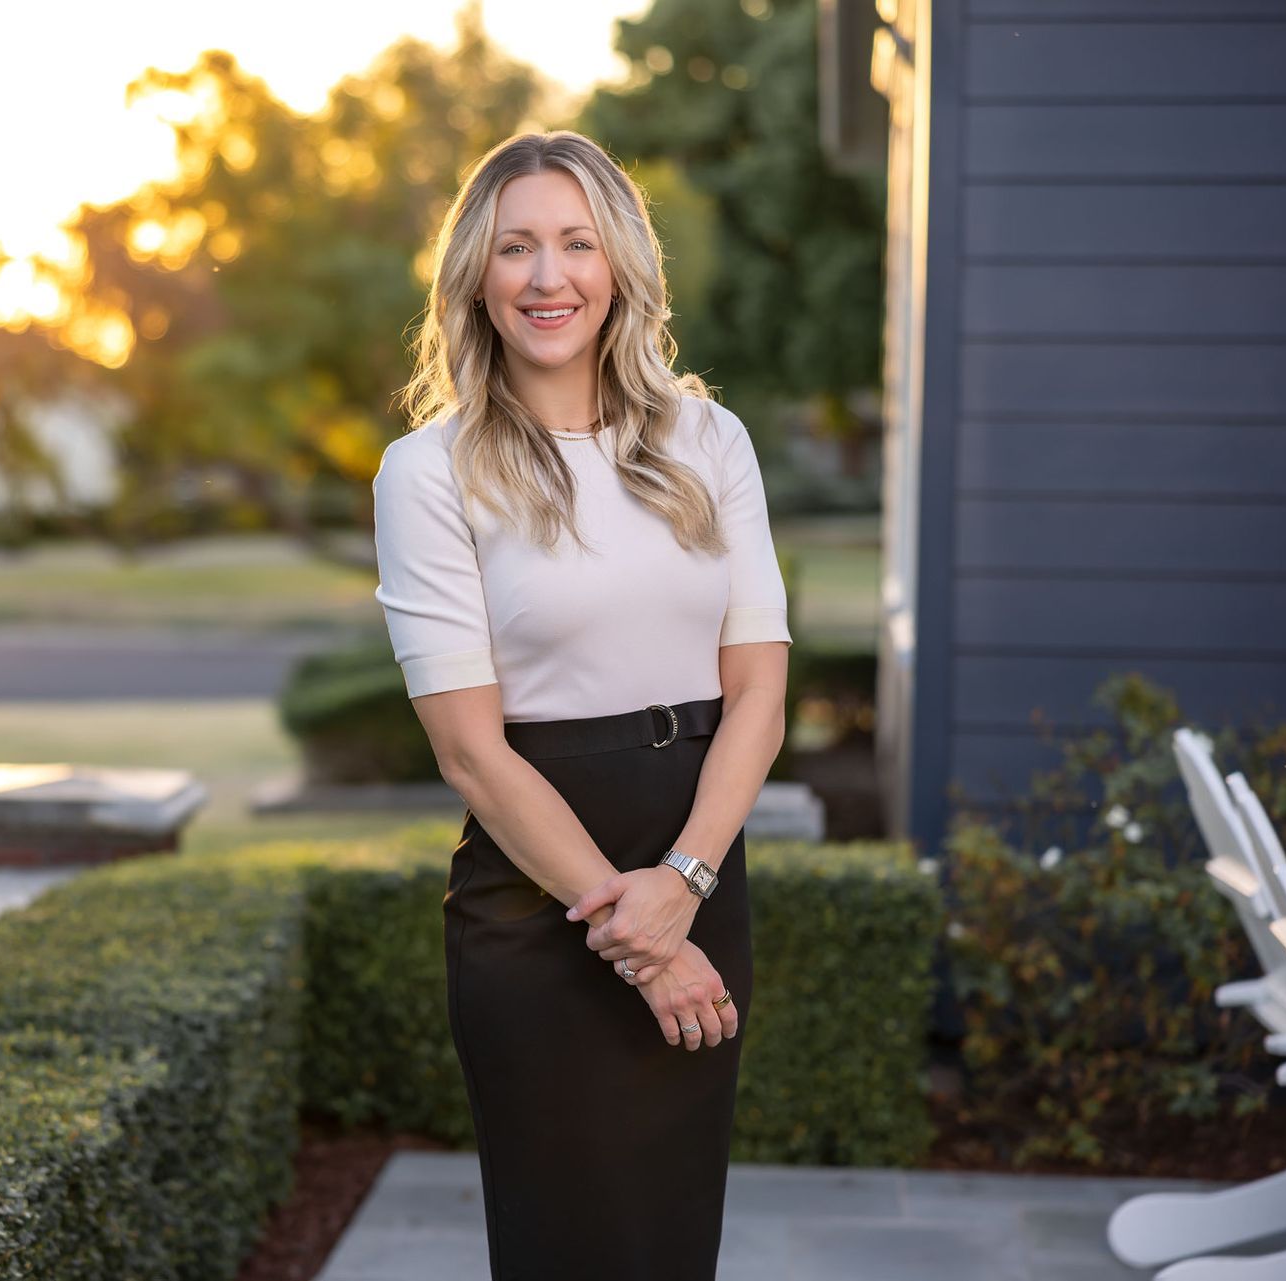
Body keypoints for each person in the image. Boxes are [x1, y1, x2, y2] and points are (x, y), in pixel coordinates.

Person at [370, 129, 792, 1280]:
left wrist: (688, 886)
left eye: (575, 243)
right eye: (515, 249)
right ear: (476, 278)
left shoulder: (710, 440)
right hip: (536, 902)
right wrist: (646, 946)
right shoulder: (430, 471)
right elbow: (471, 752)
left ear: (619, 266)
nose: (547, 277)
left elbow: (758, 692)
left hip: (700, 872)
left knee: (668, 1242)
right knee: (569, 1243)